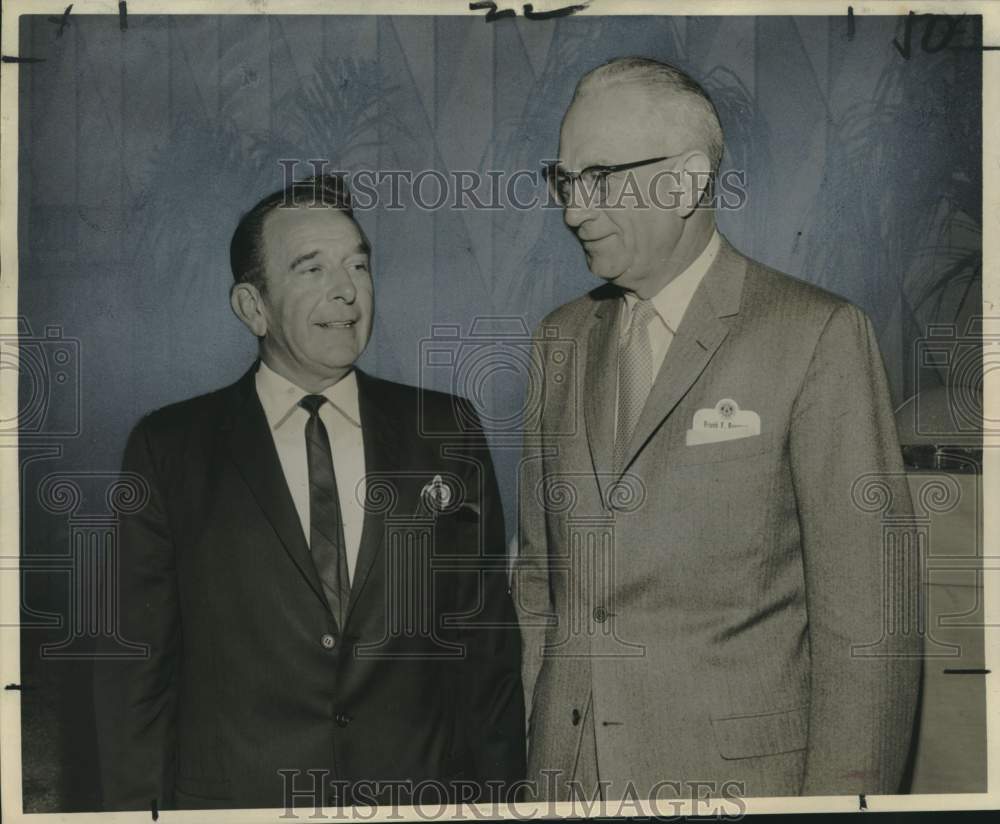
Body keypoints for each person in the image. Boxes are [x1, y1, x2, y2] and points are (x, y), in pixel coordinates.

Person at [513, 56, 921, 802]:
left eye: (598, 177)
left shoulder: (815, 335)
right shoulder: (559, 342)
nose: (573, 209)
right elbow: (543, 587)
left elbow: (871, 630)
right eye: (563, 180)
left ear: (687, 180)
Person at [93, 175, 525, 811]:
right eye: (311, 268)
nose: (346, 291)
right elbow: (136, 677)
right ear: (253, 306)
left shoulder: (446, 431)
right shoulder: (170, 448)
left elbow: (486, 656)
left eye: (358, 264)